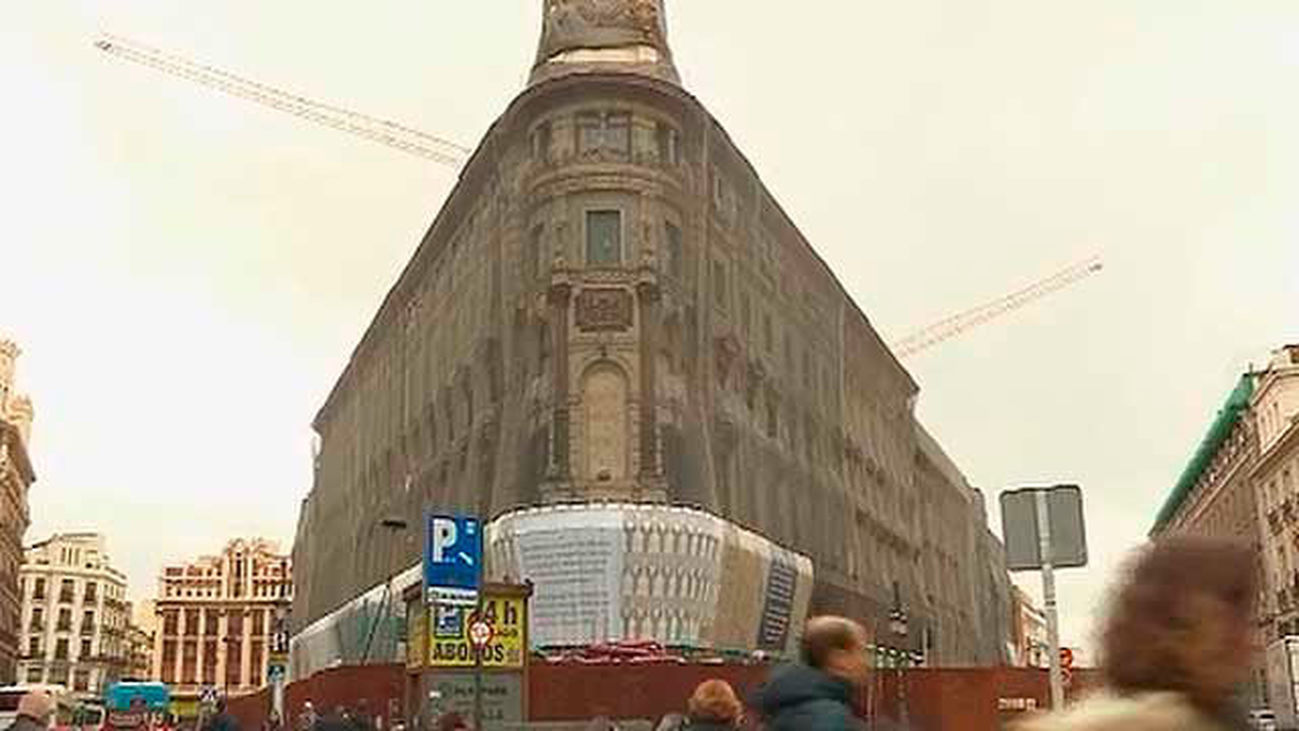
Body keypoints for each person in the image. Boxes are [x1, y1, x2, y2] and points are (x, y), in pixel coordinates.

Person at [1017, 537, 1257, 731]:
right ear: (1178, 629)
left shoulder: (1218, 716)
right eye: (1234, 622)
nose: (1249, 643)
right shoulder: (1154, 723)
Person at [757, 615, 869, 731]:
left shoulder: (784, 704)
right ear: (838, 657)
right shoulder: (829, 718)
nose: (864, 662)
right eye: (859, 651)